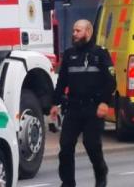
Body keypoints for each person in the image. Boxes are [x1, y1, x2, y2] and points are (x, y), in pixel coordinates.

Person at [50, 20, 116, 187]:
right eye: (73, 31)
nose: (74, 34)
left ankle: (101, 172)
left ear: (88, 32)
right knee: (65, 147)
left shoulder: (100, 53)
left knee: (91, 144)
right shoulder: (69, 55)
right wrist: (54, 104)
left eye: (78, 31)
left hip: (94, 108)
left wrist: (104, 102)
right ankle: (68, 183)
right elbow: (62, 82)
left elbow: (111, 80)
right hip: (73, 108)